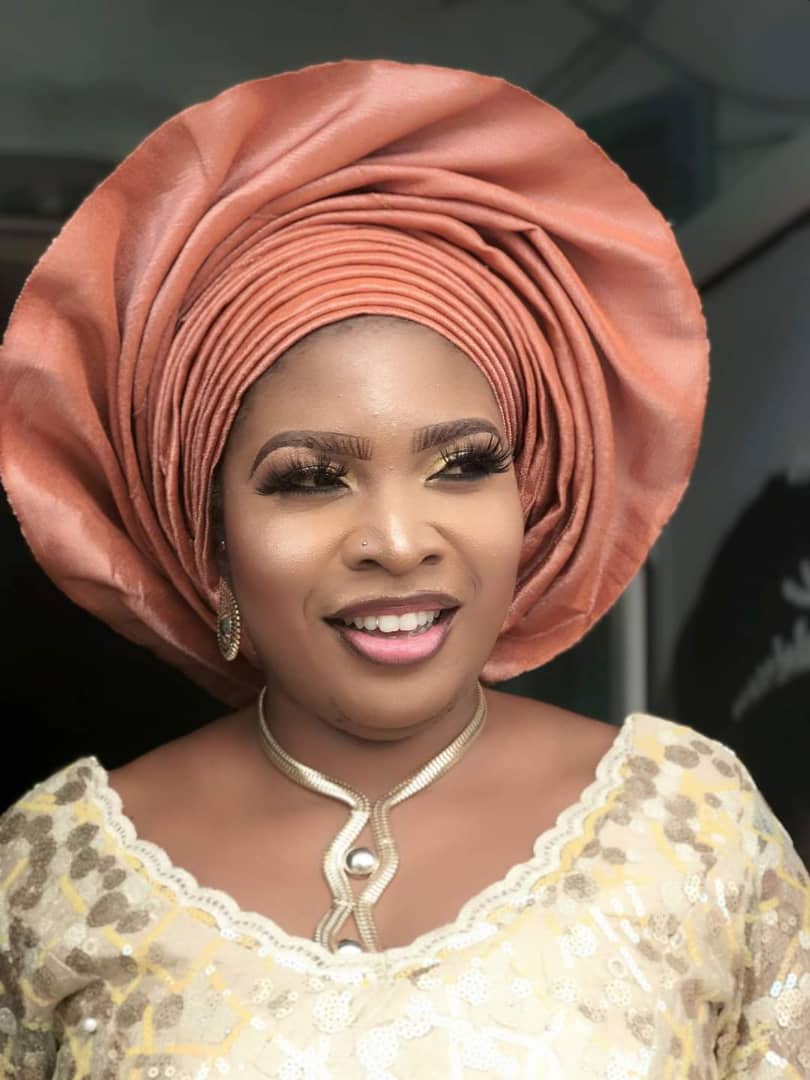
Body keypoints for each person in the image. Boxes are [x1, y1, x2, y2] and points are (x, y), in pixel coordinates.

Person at [0, 60, 807, 1079]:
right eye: (308, 480)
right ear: (208, 540)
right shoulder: (57, 872)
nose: (397, 538)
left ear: (532, 501)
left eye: (463, 465)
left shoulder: (692, 824)